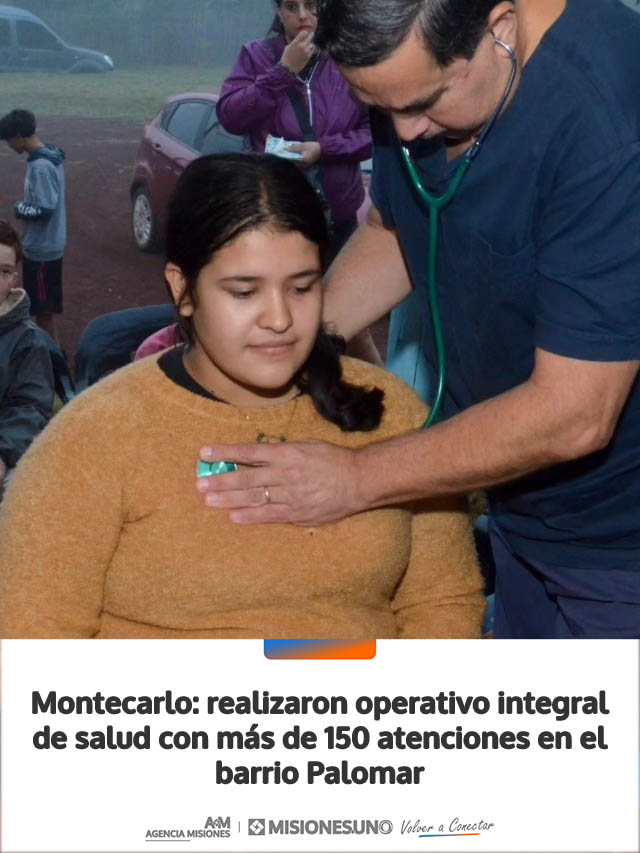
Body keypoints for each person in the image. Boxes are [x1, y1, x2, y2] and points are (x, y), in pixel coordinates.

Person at [194, 0, 640, 640]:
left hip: (620, 542)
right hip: (521, 510)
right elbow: (393, 227)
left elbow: (576, 412)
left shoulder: (609, 124)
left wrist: (354, 478)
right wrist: (290, 341)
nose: (405, 134)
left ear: (500, 28)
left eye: (424, 102)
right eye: (378, 107)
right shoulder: (412, 75)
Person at [0, 153, 484, 639]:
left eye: (302, 287)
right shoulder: (95, 437)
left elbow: (443, 603)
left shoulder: (393, 412)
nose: (280, 319)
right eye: (244, 292)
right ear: (182, 289)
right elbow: (32, 639)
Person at [216, 0, 372, 256]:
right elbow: (230, 117)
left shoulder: (348, 57)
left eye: (311, 5)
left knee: (337, 282)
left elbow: (373, 134)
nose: (302, 15)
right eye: (291, 6)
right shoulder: (256, 56)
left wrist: (323, 150)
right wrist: (283, 71)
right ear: (279, 12)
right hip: (274, 217)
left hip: (338, 220)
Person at [0, 109, 67, 346]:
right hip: (46, 246)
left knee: (42, 311)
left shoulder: (41, 166)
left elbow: (45, 208)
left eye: (9, 139)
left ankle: (51, 358)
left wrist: (20, 208)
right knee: (43, 309)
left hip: (42, 250)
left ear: (19, 135)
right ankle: (53, 354)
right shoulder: (50, 157)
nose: (9, 145)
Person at [0, 219, 54, 496]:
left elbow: (30, 409)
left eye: (4, 271)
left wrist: (3, 452)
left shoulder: (27, 342)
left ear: (13, 280)